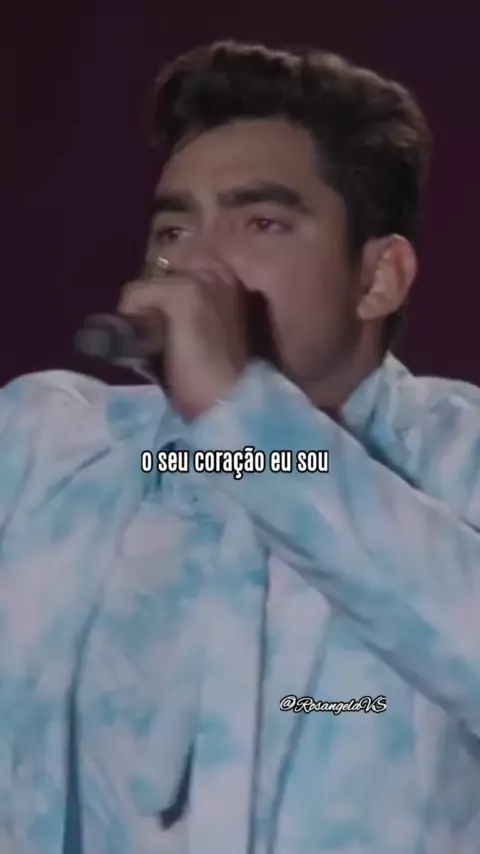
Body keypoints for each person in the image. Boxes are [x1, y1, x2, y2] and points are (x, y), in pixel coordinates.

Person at [1, 39, 480, 854]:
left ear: (378, 278)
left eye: (262, 222)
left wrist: (240, 422)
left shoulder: (457, 458)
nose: (196, 261)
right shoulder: (46, 445)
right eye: (174, 226)